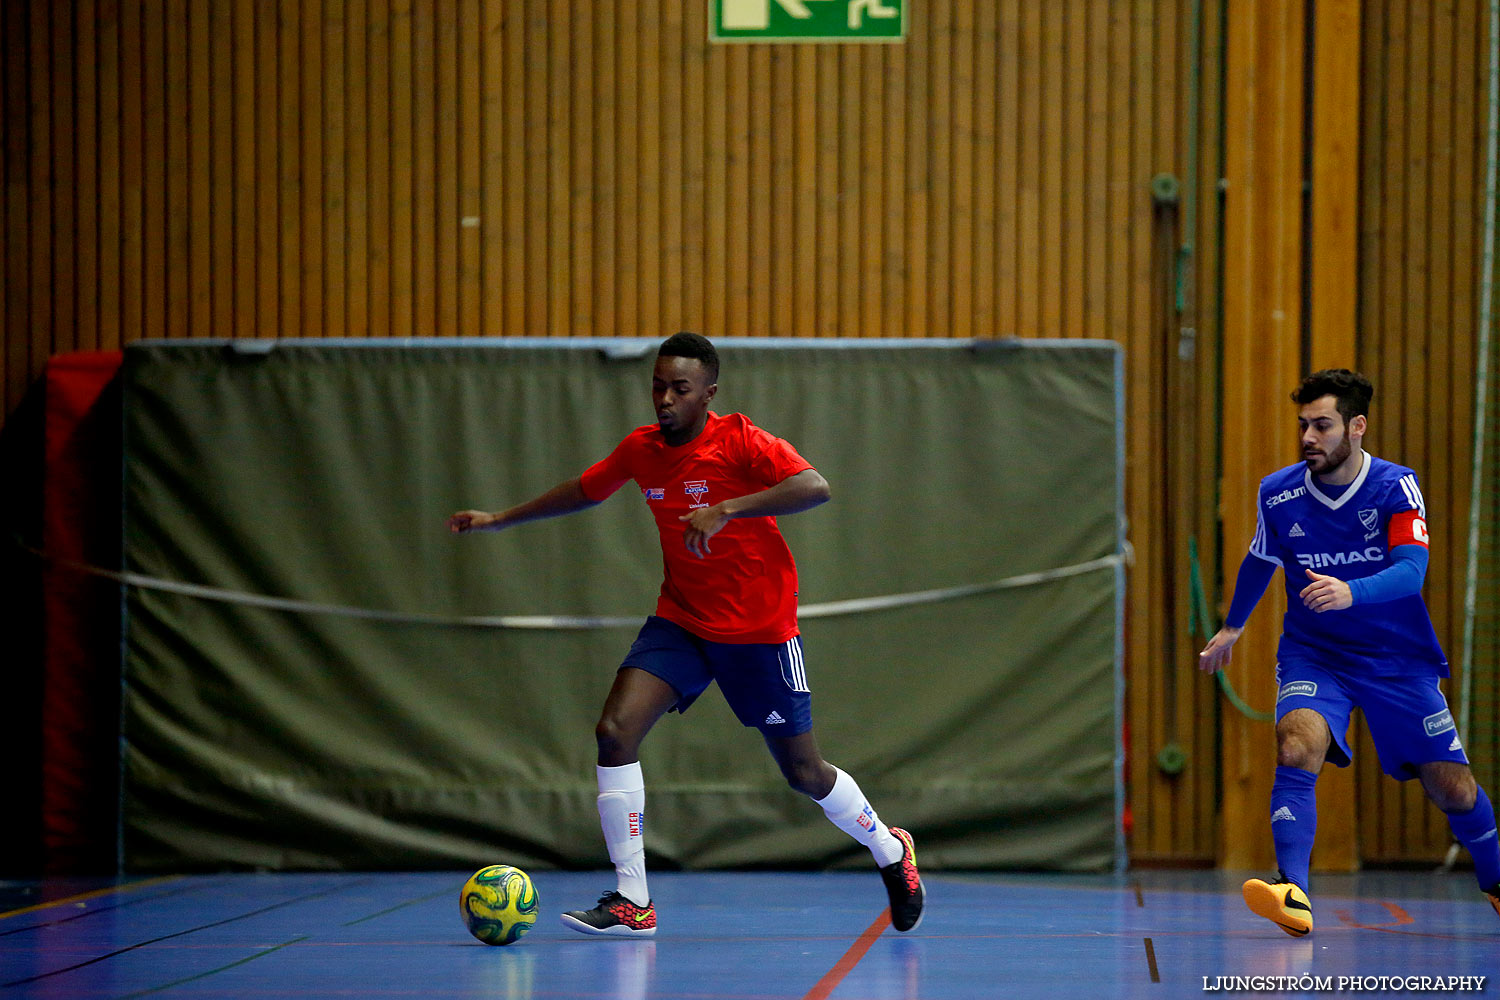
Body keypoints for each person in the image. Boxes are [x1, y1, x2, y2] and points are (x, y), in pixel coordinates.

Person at [448, 332, 925, 937]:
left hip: (758, 630)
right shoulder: (641, 450)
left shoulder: (742, 442)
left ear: (708, 394)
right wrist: (498, 519)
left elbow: (816, 487)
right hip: (682, 619)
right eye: (657, 386)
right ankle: (633, 900)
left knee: (803, 773)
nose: (665, 400)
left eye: (680, 389)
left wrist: (728, 508)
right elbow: (584, 490)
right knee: (614, 732)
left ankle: (890, 849)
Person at [1199, 368, 1500, 936]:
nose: (1309, 437)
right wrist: (1233, 627)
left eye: (1322, 425)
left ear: (1357, 426)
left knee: (1453, 788)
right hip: (1316, 654)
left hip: (1396, 658)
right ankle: (1294, 893)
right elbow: (1262, 559)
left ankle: (1496, 881)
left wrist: (1350, 592)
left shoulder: (1395, 486)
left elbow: (1411, 572)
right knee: (1296, 745)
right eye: (1303, 426)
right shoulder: (1279, 492)